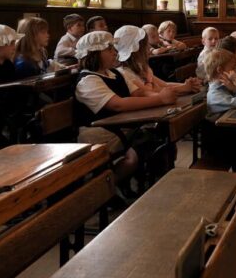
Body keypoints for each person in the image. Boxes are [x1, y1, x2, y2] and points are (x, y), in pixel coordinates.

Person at [73, 31, 178, 198]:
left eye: (114, 48)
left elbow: (138, 94)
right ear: (93, 54)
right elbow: (117, 105)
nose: (115, 52)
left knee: (160, 136)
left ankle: (155, 184)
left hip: (120, 124)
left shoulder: (115, 73)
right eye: (109, 49)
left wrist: (162, 95)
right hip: (98, 130)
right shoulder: (88, 81)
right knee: (132, 157)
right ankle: (102, 191)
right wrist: (160, 100)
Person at [114, 25, 201, 96]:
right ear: (135, 50)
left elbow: (165, 85)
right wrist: (184, 88)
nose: (148, 49)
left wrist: (189, 85)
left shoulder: (142, 67)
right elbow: (153, 91)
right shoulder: (125, 73)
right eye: (145, 46)